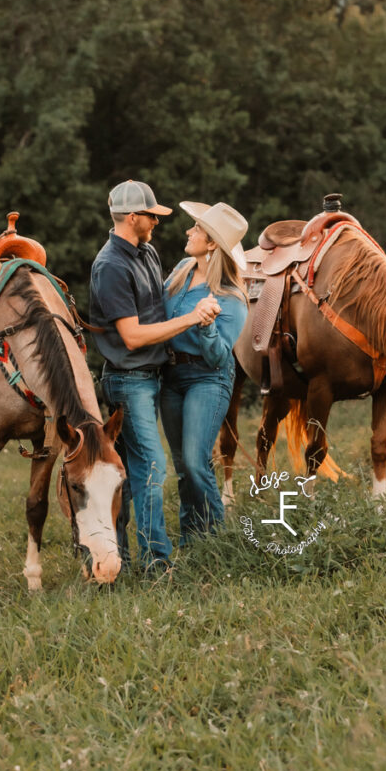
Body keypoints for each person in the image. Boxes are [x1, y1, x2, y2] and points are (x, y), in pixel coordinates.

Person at [90, 180, 221, 573]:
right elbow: (130, 337)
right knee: (152, 467)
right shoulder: (110, 266)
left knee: (128, 478)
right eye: (151, 215)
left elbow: (157, 310)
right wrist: (191, 318)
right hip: (127, 379)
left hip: (150, 377)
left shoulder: (146, 252)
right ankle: (155, 563)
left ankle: (113, 557)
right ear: (133, 218)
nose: (157, 222)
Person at [160, 201, 249, 546]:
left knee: (197, 462)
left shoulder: (230, 298)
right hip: (171, 376)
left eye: (196, 228)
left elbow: (216, 358)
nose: (188, 231)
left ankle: (219, 540)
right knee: (183, 467)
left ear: (212, 243)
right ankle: (191, 540)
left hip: (207, 378)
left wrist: (207, 325)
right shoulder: (182, 269)